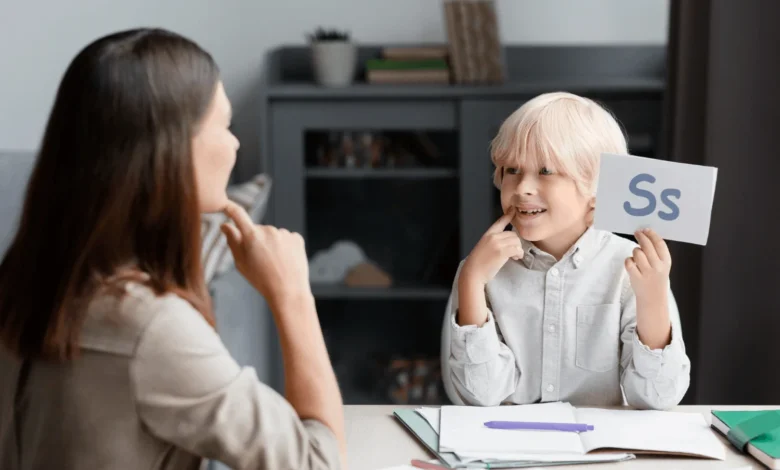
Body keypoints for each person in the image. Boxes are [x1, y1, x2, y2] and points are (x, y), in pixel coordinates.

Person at [0, 28, 345, 470]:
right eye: (224, 125)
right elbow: (319, 463)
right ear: (172, 151)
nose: (235, 143)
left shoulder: (19, 283)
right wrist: (293, 296)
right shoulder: (151, 328)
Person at [443, 92, 691, 410]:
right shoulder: (481, 270)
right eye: (512, 170)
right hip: (510, 448)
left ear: (598, 188)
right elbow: (480, 395)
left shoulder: (632, 271)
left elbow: (657, 398)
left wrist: (653, 298)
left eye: (546, 172)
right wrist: (471, 282)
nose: (522, 188)